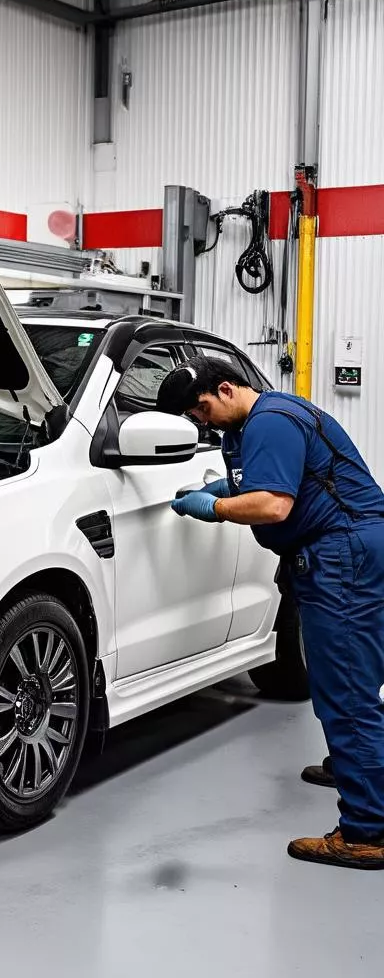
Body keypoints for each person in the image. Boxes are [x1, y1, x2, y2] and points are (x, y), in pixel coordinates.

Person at [156, 356, 384, 870]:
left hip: (342, 554)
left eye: (203, 408)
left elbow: (274, 505)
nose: (202, 420)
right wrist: (222, 488)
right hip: (347, 550)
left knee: (345, 695)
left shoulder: (270, 422)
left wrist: (211, 508)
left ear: (228, 389)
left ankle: (368, 832)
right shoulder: (246, 427)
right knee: (356, 681)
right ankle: (361, 768)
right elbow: (266, 482)